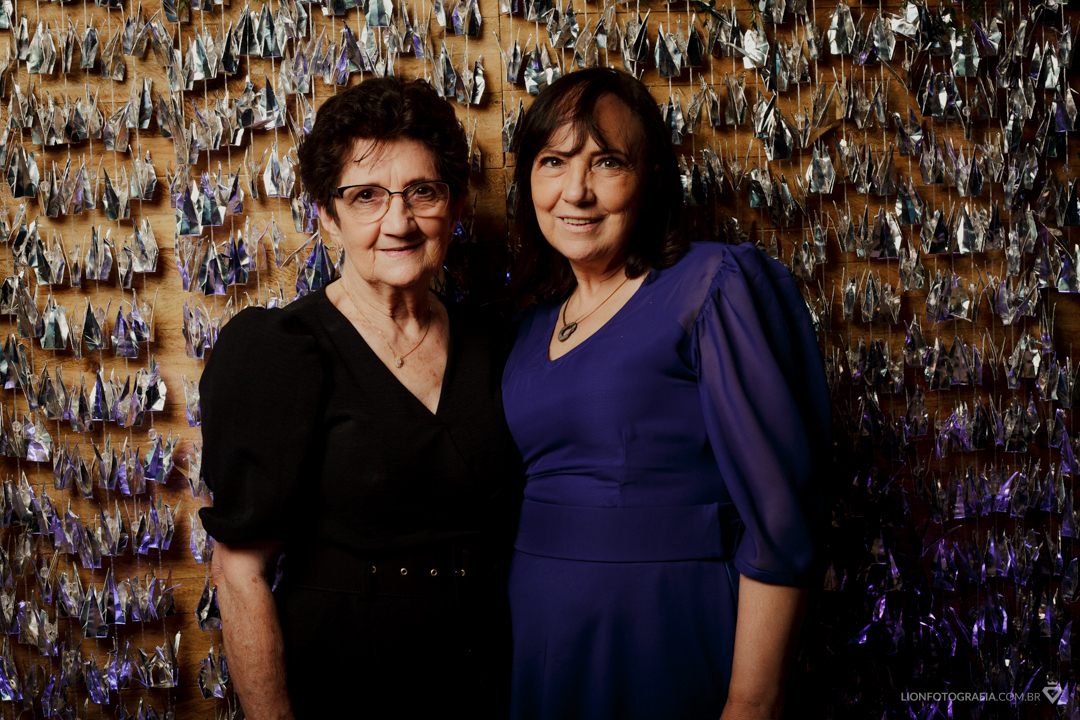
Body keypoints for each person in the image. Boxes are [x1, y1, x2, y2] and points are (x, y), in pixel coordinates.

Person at [502, 67, 831, 720]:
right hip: (543, 641)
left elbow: (781, 515)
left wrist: (752, 700)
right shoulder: (529, 327)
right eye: (553, 162)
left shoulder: (708, 285)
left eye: (608, 162)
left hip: (665, 629)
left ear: (651, 178)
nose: (576, 191)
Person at [199, 77, 522, 719]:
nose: (398, 222)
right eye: (366, 196)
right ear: (327, 214)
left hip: (494, 674)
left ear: (455, 207)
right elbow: (239, 573)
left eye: (422, 192)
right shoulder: (277, 350)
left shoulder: (498, 343)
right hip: (346, 675)